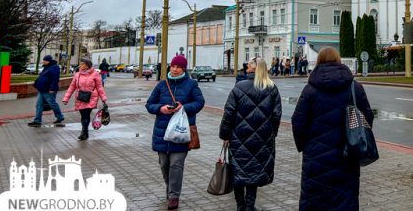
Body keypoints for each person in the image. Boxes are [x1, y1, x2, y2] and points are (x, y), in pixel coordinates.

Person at [292, 47, 373, 211]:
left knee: (315, 201)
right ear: (339, 60)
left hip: (316, 159)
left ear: (319, 61)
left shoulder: (310, 90)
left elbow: (298, 122)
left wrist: (305, 145)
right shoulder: (354, 87)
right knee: (345, 200)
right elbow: (367, 117)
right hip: (347, 156)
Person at [220, 58, 282, 211]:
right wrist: (271, 133)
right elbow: (276, 115)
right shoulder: (272, 88)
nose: (246, 65)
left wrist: (225, 135)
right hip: (262, 139)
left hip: (238, 137)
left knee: (238, 172)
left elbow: (229, 114)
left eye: (249, 64)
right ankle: (249, 206)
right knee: (254, 172)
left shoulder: (239, 87)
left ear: (253, 68)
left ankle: (240, 206)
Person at [145, 55, 205, 210]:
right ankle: (170, 189)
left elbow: (199, 102)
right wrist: (161, 109)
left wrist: (183, 107)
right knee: (164, 164)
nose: (175, 69)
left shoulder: (191, 84)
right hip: (162, 132)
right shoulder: (162, 85)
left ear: (183, 69)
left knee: (176, 165)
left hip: (181, 132)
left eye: (178, 67)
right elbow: (149, 104)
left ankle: (173, 196)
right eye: (173, 66)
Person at [62, 58, 107, 141]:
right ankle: (85, 132)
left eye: (82, 64)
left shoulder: (95, 74)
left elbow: (100, 87)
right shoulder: (77, 74)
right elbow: (72, 87)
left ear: (87, 65)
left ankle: (83, 132)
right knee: (83, 115)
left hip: (91, 97)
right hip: (80, 97)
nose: (80, 65)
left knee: (86, 114)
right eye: (80, 64)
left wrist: (103, 99)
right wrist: (66, 98)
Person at [28, 55, 65, 127]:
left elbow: (55, 79)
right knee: (39, 105)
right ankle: (37, 120)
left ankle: (60, 117)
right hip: (42, 89)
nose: (43, 61)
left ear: (48, 61)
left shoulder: (54, 68)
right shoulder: (46, 67)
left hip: (49, 90)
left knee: (52, 104)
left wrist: (52, 89)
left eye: (44, 60)